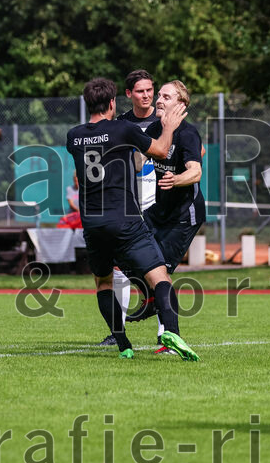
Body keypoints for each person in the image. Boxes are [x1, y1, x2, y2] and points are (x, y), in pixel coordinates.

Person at [66, 76, 199, 361]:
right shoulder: (123, 129)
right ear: (113, 103)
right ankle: (171, 331)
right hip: (125, 219)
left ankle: (123, 344)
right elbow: (160, 150)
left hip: (92, 223)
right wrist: (169, 128)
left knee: (104, 282)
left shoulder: (74, 136)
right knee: (159, 275)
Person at [130, 80, 206, 352]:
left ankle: (169, 336)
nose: (158, 100)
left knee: (159, 271)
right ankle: (152, 300)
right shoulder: (154, 129)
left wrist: (177, 179)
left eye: (166, 96)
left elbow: (195, 172)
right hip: (157, 212)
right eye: (159, 95)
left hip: (183, 215)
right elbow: (137, 161)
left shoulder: (188, 133)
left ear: (181, 104)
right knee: (129, 253)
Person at [96, 70, 160, 347]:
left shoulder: (165, 119)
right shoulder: (120, 124)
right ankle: (117, 332)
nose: (146, 95)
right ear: (128, 94)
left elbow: (197, 150)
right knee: (117, 267)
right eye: (140, 91)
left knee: (160, 268)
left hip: (159, 205)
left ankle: (165, 333)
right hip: (127, 205)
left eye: (149, 90)